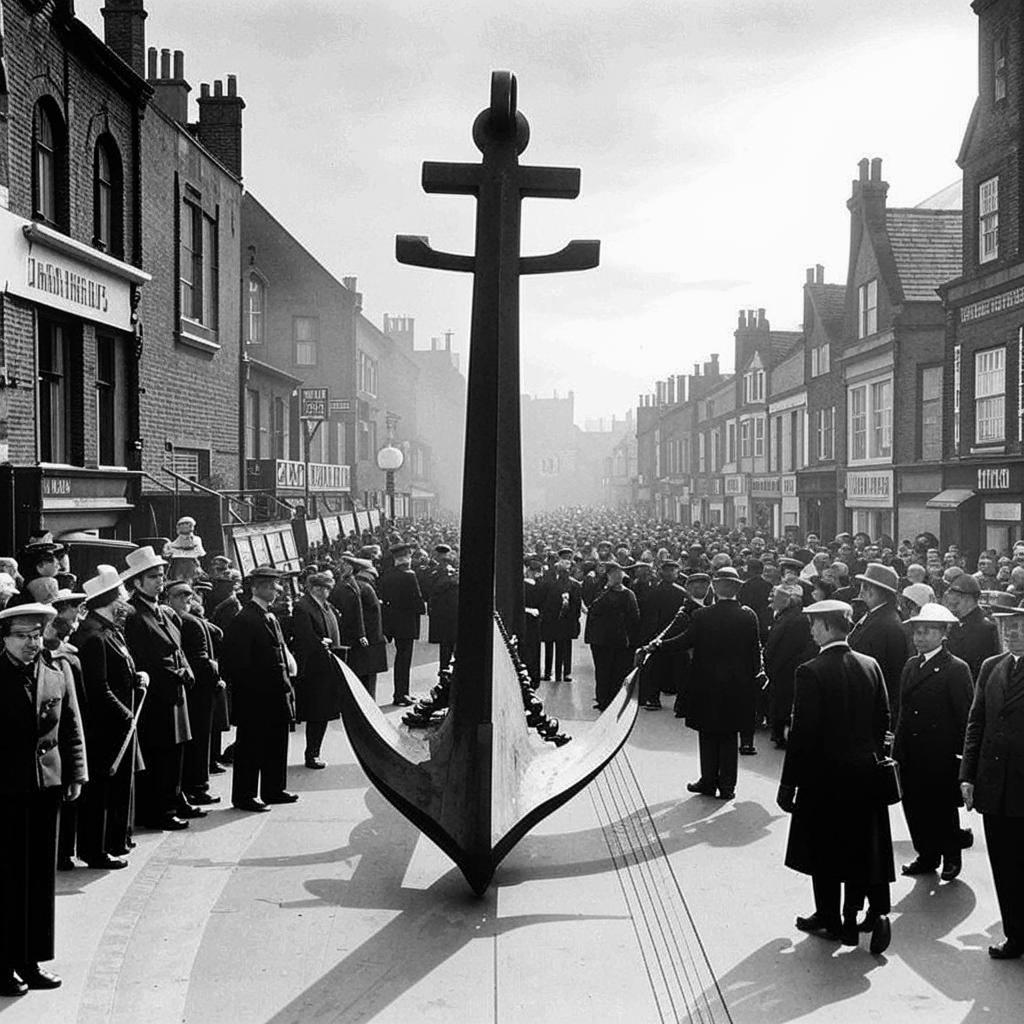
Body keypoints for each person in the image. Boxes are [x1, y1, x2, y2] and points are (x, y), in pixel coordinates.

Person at [776, 599, 895, 954]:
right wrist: (868, 754)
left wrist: (788, 783)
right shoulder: (870, 665)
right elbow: (884, 719)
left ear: (828, 627)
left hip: (823, 778)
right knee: (858, 847)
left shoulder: (810, 671)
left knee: (823, 849)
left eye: (814, 625)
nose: (811, 630)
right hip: (864, 775)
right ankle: (852, 912)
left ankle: (828, 915)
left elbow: (803, 735)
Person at [0, 602, 87, 996]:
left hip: (46, 786)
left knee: (38, 879)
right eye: (22, 636)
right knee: (8, 879)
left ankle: (31, 960)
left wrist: (76, 773)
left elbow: (71, 726)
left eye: (36, 636)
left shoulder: (55, 673)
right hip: (5, 790)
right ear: (4, 638)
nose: (32, 643)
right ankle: (4, 964)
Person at [655, 567, 762, 799]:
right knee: (729, 735)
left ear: (715, 586)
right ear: (736, 588)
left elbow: (684, 641)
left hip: (706, 684)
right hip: (736, 686)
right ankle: (727, 786)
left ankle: (708, 780)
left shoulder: (703, 616)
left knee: (708, 733)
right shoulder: (748, 615)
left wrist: (658, 646)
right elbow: (755, 652)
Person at [960, 605, 1024, 959]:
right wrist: (968, 775)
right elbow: (976, 723)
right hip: (994, 785)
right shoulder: (991, 667)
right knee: (1004, 864)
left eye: (1019, 627)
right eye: (1007, 627)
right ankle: (1015, 933)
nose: (1011, 633)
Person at [893, 603, 973, 882]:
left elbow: (965, 717)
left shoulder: (955, 669)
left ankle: (951, 854)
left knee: (941, 809)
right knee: (914, 806)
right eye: (917, 632)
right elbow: (903, 710)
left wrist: (962, 758)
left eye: (927, 632)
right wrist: (896, 750)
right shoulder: (911, 665)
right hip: (911, 752)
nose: (920, 637)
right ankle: (926, 854)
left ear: (943, 634)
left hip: (940, 754)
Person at [71, 567, 145, 868]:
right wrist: (126, 715)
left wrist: (135, 677)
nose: (126, 603)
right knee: (100, 791)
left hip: (117, 726)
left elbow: (119, 671)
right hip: (104, 728)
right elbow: (98, 688)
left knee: (115, 788)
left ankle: (114, 839)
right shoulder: (93, 636)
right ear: (111, 600)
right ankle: (94, 850)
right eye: (121, 597)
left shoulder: (108, 631)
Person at [123, 546, 196, 831]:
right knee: (159, 756)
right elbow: (143, 658)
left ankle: (173, 799)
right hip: (156, 697)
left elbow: (177, 647)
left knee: (175, 752)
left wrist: (186, 670)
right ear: (138, 582)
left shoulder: (162, 611)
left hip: (175, 693)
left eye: (161, 575)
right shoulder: (134, 615)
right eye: (153, 577)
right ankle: (158, 810)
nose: (160, 581)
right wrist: (174, 674)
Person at [222, 566, 298, 812]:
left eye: (274, 586)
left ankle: (273, 789)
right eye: (268, 586)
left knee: (277, 743)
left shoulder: (269, 616)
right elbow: (237, 664)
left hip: (276, 694)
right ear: (255, 588)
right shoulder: (245, 619)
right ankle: (245, 796)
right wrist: (255, 692)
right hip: (256, 698)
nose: (274, 590)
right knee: (251, 746)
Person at [163, 580, 221, 808]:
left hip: (190, 687)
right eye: (183, 597)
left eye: (188, 597)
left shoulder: (178, 620)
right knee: (199, 741)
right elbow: (201, 658)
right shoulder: (189, 622)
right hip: (199, 689)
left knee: (194, 741)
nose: (188, 601)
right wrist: (216, 676)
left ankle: (194, 786)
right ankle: (198, 786)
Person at [291, 570, 344, 769]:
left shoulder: (326, 606)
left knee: (322, 713)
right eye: (323, 587)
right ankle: (311, 754)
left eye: (329, 587)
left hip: (326, 667)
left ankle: (314, 752)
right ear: (313, 588)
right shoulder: (303, 607)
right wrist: (321, 642)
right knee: (316, 713)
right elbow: (304, 637)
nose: (326, 591)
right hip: (313, 669)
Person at [848, 563, 911, 723]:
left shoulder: (886, 624)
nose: (861, 592)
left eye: (865, 586)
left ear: (876, 590)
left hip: (870, 705)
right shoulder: (876, 617)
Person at [764, 582, 815, 749]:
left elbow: (790, 647)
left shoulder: (796, 619)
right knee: (780, 702)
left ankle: (782, 735)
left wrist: (775, 666)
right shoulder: (786, 616)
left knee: (783, 704)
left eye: (776, 597)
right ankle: (778, 734)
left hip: (786, 669)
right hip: (781, 668)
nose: (771, 600)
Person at [583, 562, 640, 711]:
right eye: (613, 574)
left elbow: (634, 618)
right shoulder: (601, 591)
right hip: (600, 639)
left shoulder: (628, 594)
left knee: (617, 671)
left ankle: (614, 700)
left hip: (619, 638)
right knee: (602, 671)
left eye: (618, 574)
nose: (616, 577)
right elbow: (593, 608)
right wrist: (608, 588)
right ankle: (602, 700)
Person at [378, 543, 426, 706]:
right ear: (407, 558)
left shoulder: (387, 575)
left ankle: (401, 693)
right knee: (404, 660)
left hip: (393, 622)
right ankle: (401, 694)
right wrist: (422, 609)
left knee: (400, 658)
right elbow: (417, 599)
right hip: (407, 623)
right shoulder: (409, 575)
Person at [343, 556, 389, 698]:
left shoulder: (350, 587)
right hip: (370, 641)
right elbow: (374, 615)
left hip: (359, 641)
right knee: (369, 683)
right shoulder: (365, 588)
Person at [944, 573, 1002, 682]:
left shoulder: (986, 628)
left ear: (966, 597)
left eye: (952, 593)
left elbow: (981, 670)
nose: (948, 597)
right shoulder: (955, 624)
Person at [539, 559, 582, 684]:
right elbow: (545, 602)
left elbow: (577, 605)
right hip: (552, 620)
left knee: (564, 647)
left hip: (566, 621)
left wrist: (573, 618)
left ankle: (565, 672)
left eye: (567, 571)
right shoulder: (550, 584)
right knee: (550, 646)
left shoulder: (574, 585)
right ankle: (549, 671)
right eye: (562, 571)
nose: (565, 573)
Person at [426, 549, 459, 673]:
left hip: (441, 616)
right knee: (454, 646)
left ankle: (443, 673)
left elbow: (429, 592)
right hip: (453, 615)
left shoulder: (434, 574)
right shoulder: (455, 578)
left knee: (445, 648)